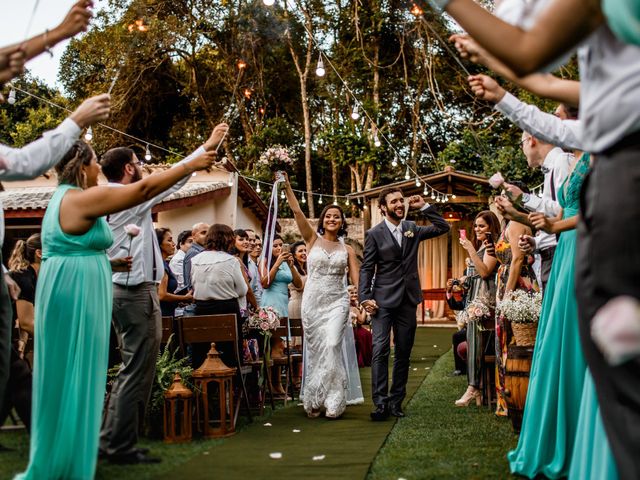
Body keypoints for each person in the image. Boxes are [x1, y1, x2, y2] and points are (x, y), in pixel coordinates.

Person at [15, 139, 217, 479]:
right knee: (129, 365)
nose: (98, 169)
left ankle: (103, 441)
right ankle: (114, 441)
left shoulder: (82, 199)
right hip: (117, 293)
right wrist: (199, 155)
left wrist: (107, 263)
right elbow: (154, 186)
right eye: (93, 161)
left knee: (100, 369)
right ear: (82, 166)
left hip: (101, 287)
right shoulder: (100, 195)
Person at [99, 123, 227, 465]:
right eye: (138, 162)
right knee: (137, 367)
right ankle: (117, 444)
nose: (143, 167)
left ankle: (112, 438)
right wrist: (206, 147)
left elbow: (168, 184)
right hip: (135, 293)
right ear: (129, 168)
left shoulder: (118, 199)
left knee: (134, 365)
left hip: (126, 292)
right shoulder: (126, 196)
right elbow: (169, 180)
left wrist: (201, 156)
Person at [0, 93, 110, 418]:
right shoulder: (72, 199)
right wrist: (77, 119)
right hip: (68, 297)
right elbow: (26, 163)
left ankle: (48, 426)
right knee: (15, 371)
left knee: (13, 371)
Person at [507, 154, 590, 478]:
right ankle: (564, 427)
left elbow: (590, 208)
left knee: (574, 335)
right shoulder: (570, 159)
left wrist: (504, 100)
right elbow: (556, 209)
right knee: (561, 338)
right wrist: (521, 209)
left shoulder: (579, 152)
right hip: (565, 245)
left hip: (578, 244)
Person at [359, 187, 450, 421]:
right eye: (394, 202)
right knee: (380, 350)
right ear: (383, 208)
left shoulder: (412, 228)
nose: (400, 204)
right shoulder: (374, 233)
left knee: (403, 352)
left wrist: (426, 207)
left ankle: (396, 401)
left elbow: (443, 228)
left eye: (402, 201)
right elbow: (367, 267)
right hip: (381, 301)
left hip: (408, 299)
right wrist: (364, 297)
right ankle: (380, 404)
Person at [281, 173, 363, 418]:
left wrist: (359, 301)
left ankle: (330, 394)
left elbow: (356, 279)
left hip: (338, 302)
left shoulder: (346, 248)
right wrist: (286, 187)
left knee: (332, 343)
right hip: (312, 303)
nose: (332, 219)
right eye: (328, 216)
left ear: (342, 222)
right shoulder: (311, 240)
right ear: (322, 220)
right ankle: (319, 398)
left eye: (336, 217)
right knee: (317, 349)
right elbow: (297, 213)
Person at [493, 184, 540, 417]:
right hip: (508, 281)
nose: (499, 203)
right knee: (506, 339)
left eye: (504, 199)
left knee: (514, 340)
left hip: (518, 285)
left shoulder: (517, 223)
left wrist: (507, 297)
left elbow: (518, 260)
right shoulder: (507, 224)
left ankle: (518, 397)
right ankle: (508, 396)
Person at [454, 211, 500, 407]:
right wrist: (463, 281)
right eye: (475, 226)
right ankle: (476, 387)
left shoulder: (491, 247)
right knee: (469, 336)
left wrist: (471, 250)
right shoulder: (482, 246)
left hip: (486, 303)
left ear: (491, 227)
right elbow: (476, 274)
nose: (477, 229)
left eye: (482, 226)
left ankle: (473, 387)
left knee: (473, 333)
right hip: (474, 299)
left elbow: (485, 272)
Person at [190, 224, 248, 368]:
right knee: (229, 353)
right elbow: (242, 290)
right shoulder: (231, 261)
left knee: (203, 351)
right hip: (226, 309)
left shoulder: (195, 260)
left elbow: (194, 285)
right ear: (227, 239)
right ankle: (232, 384)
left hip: (201, 310)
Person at [259, 234, 302, 396]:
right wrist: (277, 263)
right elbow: (264, 283)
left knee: (280, 346)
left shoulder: (287, 262)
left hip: (284, 303)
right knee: (272, 345)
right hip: (270, 303)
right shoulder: (264, 261)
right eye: (275, 246)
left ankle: (277, 384)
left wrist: (291, 265)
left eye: (280, 245)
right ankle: (270, 385)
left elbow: (299, 285)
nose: (278, 248)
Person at [156, 228, 193, 317]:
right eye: (169, 240)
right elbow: (162, 295)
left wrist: (178, 300)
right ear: (159, 244)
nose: (173, 244)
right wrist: (185, 298)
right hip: (163, 313)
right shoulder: (161, 264)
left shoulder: (163, 263)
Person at [232, 229, 258, 318]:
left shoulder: (244, 261)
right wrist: (257, 308)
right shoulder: (234, 260)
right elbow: (247, 289)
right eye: (241, 239)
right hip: (236, 306)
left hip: (245, 305)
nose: (246, 242)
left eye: (247, 239)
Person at [349, 285, 372, 368]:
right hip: (355, 330)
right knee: (367, 334)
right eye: (352, 293)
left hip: (351, 330)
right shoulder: (353, 308)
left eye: (355, 293)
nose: (354, 294)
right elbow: (361, 320)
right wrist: (364, 308)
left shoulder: (350, 305)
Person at [183, 222, 209, 291]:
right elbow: (190, 281)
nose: (207, 236)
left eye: (209, 234)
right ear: (193, 235)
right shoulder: (194, 253)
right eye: (203, 233)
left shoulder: (202, 252)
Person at [288, 241, 307, 320]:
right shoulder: (293, 268)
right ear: (294, 255)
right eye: (300, 251)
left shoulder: (307, 269)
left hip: (307, 305)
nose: (304, 253)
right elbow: (300, 287)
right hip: (297, 304)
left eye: (305, 250)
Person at [245, 230, 263, 306]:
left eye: (254, 241)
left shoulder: (253, 265)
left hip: (250, 307)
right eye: (249, 240)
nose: (252, 243)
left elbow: (256, 290)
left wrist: (260, 309)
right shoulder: (234, 260)